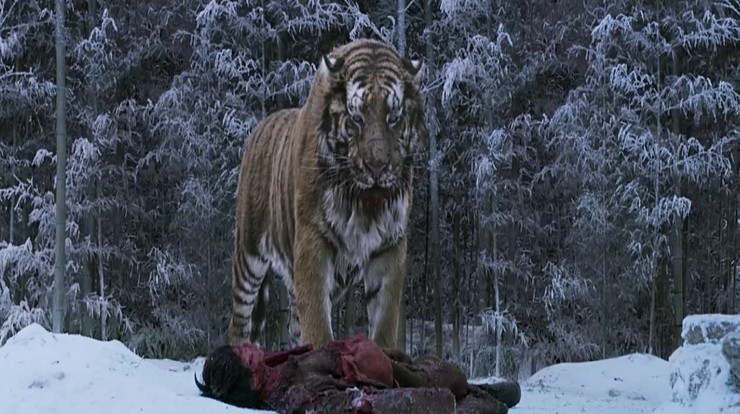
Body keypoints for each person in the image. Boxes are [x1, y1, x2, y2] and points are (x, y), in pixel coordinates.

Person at [195, 333, 521, 413]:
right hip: (384, 380)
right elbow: (356, 405)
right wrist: (431, 401)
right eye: (246, 355)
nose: (250, 346)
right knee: (449, 378)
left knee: (427, 361)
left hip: (372, 359)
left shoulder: (270, 369)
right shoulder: (292, 394)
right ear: (251, 379)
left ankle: (472, 389)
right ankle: (481, 398)